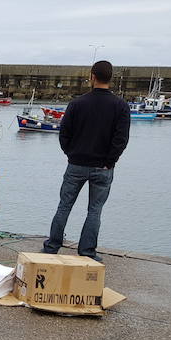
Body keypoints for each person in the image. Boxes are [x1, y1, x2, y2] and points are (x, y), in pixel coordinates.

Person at [42, 60, 130, 261]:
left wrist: (71, 153)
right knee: (94, 210)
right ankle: (87, 251)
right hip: (103, 167)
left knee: (64, 205)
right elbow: (121, 139)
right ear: (111, 78)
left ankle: (52, 246)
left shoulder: (77, 104)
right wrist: (110, 161)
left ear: (92, 77)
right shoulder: (121, 106)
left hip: (76, 163)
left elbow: (64, 134)